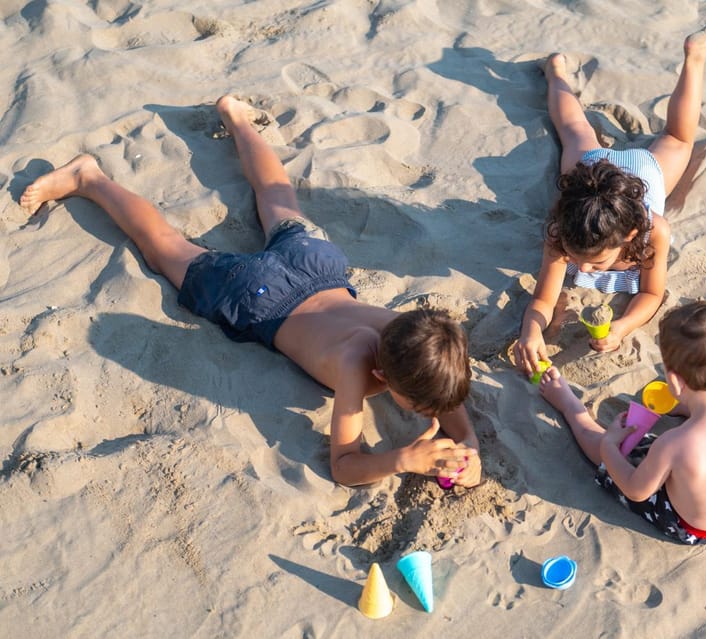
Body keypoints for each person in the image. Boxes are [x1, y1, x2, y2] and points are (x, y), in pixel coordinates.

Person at [19, 96, 481, 488]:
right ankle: (89, 179)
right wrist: (401, 460)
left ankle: (236, 117)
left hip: (315, 264)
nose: (429, 413)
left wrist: (471, 449)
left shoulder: (414, 334)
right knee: (165, 250)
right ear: (384, 374)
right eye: (419, 407)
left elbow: (447, 397)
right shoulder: (356, 367)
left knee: (277, 198)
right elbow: (344, 466)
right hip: (261, 298)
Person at [515, 14, 706, 376]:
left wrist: (623, 327)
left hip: (644, 173)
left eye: (595, 263)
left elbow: (651, 295)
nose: (583, 268)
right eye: (580, 260)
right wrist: (530, 330)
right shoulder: (564, 231)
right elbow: (543, 299)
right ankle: (554, 71)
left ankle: (695, 55)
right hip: (591, 172)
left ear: (631, 237)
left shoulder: (656, 231)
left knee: (679, 137)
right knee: (572, 128)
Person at [538, 300, 706, 544]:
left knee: (620, 450)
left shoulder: (673, 445)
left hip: (695, 528)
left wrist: (609, 446)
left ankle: (569, 406)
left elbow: (635, 490)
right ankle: (699, 401)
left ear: (675, 383)